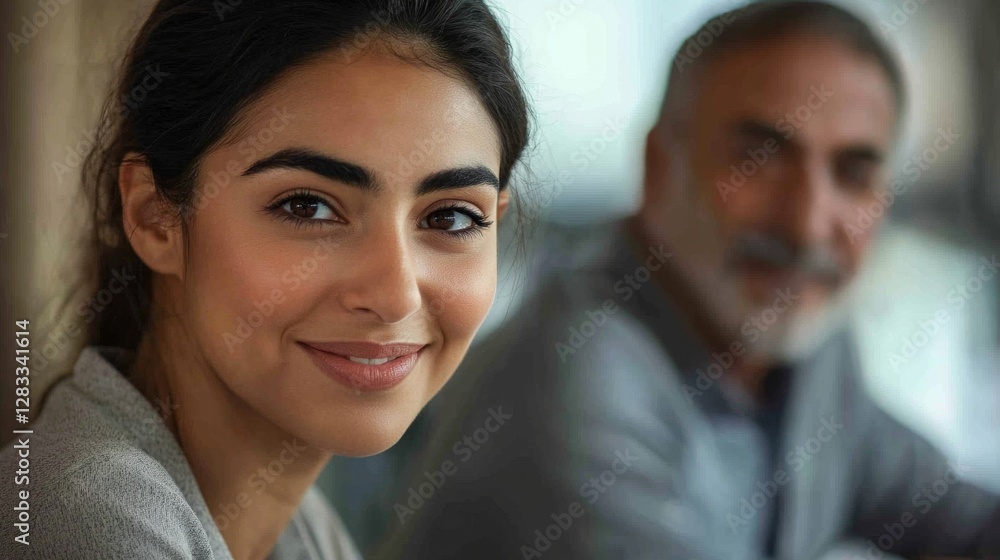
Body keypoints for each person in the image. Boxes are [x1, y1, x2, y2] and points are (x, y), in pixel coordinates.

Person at [382, 2, 1000, 559]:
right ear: (657, 168)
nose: (808, 226)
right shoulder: (571, 374)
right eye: (758, 159)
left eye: (853, 173)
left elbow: (962, 520)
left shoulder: (806, 349)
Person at [0, 0, 529, 558]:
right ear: (155, 216)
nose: (395, 295)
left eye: (450, 217)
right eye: (307, 207)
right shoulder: (85, 525)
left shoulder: (305, 532)